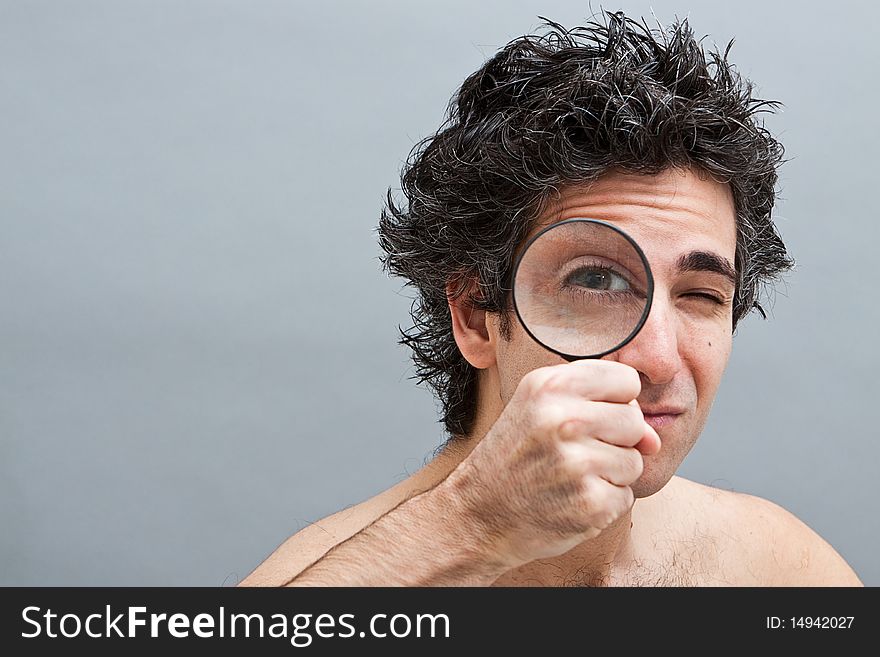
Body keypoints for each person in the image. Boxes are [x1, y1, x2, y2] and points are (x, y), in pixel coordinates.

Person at [240, 12, 862, 586]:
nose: (663, 359)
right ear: (475, 316)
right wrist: (471, 524)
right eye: (595, 281)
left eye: (700, 294)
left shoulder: (776, 569)